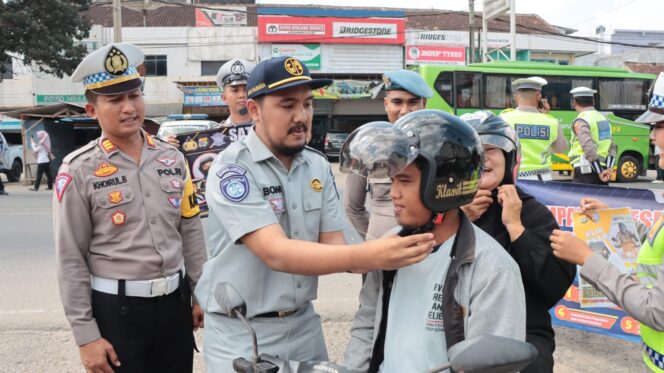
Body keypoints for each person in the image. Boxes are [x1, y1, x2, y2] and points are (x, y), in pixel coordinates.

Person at [194, 56, 436, 371]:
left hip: (304, 325)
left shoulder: (317, 165)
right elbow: (276, 253)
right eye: (287, 105)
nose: (302, 116)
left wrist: (411, 240)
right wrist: (374, 255)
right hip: (243, 332)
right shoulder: (232, 170)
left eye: (307, 104)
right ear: (254, 110)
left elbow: (334, 244)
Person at [55, 43, 207, 373]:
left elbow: (190, 230)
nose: (129, 107)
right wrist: (86, 337)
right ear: (91, 110)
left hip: (174, 304)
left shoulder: (172, 158)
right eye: (114, 100)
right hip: (117, 312)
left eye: (134, 95)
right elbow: (71, 258)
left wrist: (201, 294)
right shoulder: (79, 169)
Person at [341, 110, 526, 373]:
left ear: (442, 185)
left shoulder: (493, 270)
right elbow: (366, 325)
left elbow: (494, 366)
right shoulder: (387, 246)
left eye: (405, 180)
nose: (393, 193)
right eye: (392, 180)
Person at [551, 75, 664, 372]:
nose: (652, 136)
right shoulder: (602, 118)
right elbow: (657, 241)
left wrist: (588, 260)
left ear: (576, 103)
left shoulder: (582, 121)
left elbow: (657, 312)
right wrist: (612, 217)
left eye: (660, 126)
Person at [459, 111, 576, 372]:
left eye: (490, 149)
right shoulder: (442, 211)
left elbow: (554, 286)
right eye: (473, 150)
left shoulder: (532, 212)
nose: (481, 157)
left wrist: (517, 229)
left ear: (509, 158)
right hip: (454, 329)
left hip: (522, 331)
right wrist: (459, 219)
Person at [344, 70, 433, 241]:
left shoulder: (437, 146)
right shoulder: (367, 146)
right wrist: (375, 241)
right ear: (386, 104)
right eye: (397, 102)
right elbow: (352, 207)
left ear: (424, 104)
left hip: (426, 253)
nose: (405, 110)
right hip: (379, 258)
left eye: (413, 102)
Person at [166, 59, 255, 147]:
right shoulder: (215, 135)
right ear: (224, 98)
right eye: (235, 90)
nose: (242, 95)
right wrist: (173, 147)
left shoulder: (265, 129)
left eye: (246, 89)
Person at [501, 76, 567, 181]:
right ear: (539, 97)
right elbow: (560, 149)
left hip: (514, 178)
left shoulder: (503, 118)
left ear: (516, 97)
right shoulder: (551, 121)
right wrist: (546, 115)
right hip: (543, 180)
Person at [568, 87, 617, 185]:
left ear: (574, 102)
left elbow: (587, 146)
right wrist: (608, 168)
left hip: (586, 170)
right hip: (603, 169)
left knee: (583, 200)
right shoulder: (603, 119)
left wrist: (599, 171)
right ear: (593, 101)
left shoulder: (581, 120)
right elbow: (612, 146)